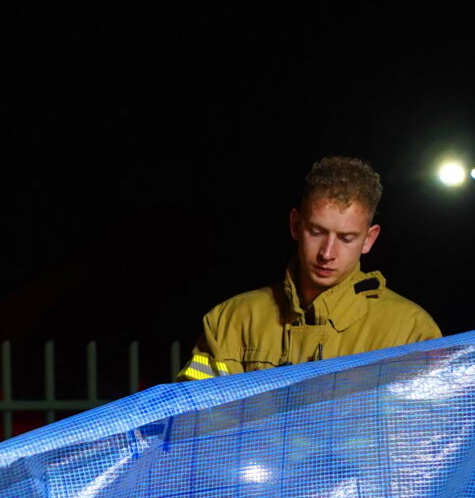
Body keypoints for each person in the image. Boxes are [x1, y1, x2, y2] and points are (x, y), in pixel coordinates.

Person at [177, 156, 441, 380]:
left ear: (368, 239)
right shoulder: (231, 321)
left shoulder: (411, 332)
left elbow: (431, 422)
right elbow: (192, 417)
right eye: (316, 232)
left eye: (346, 238)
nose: (327, 253)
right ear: (295, 225)